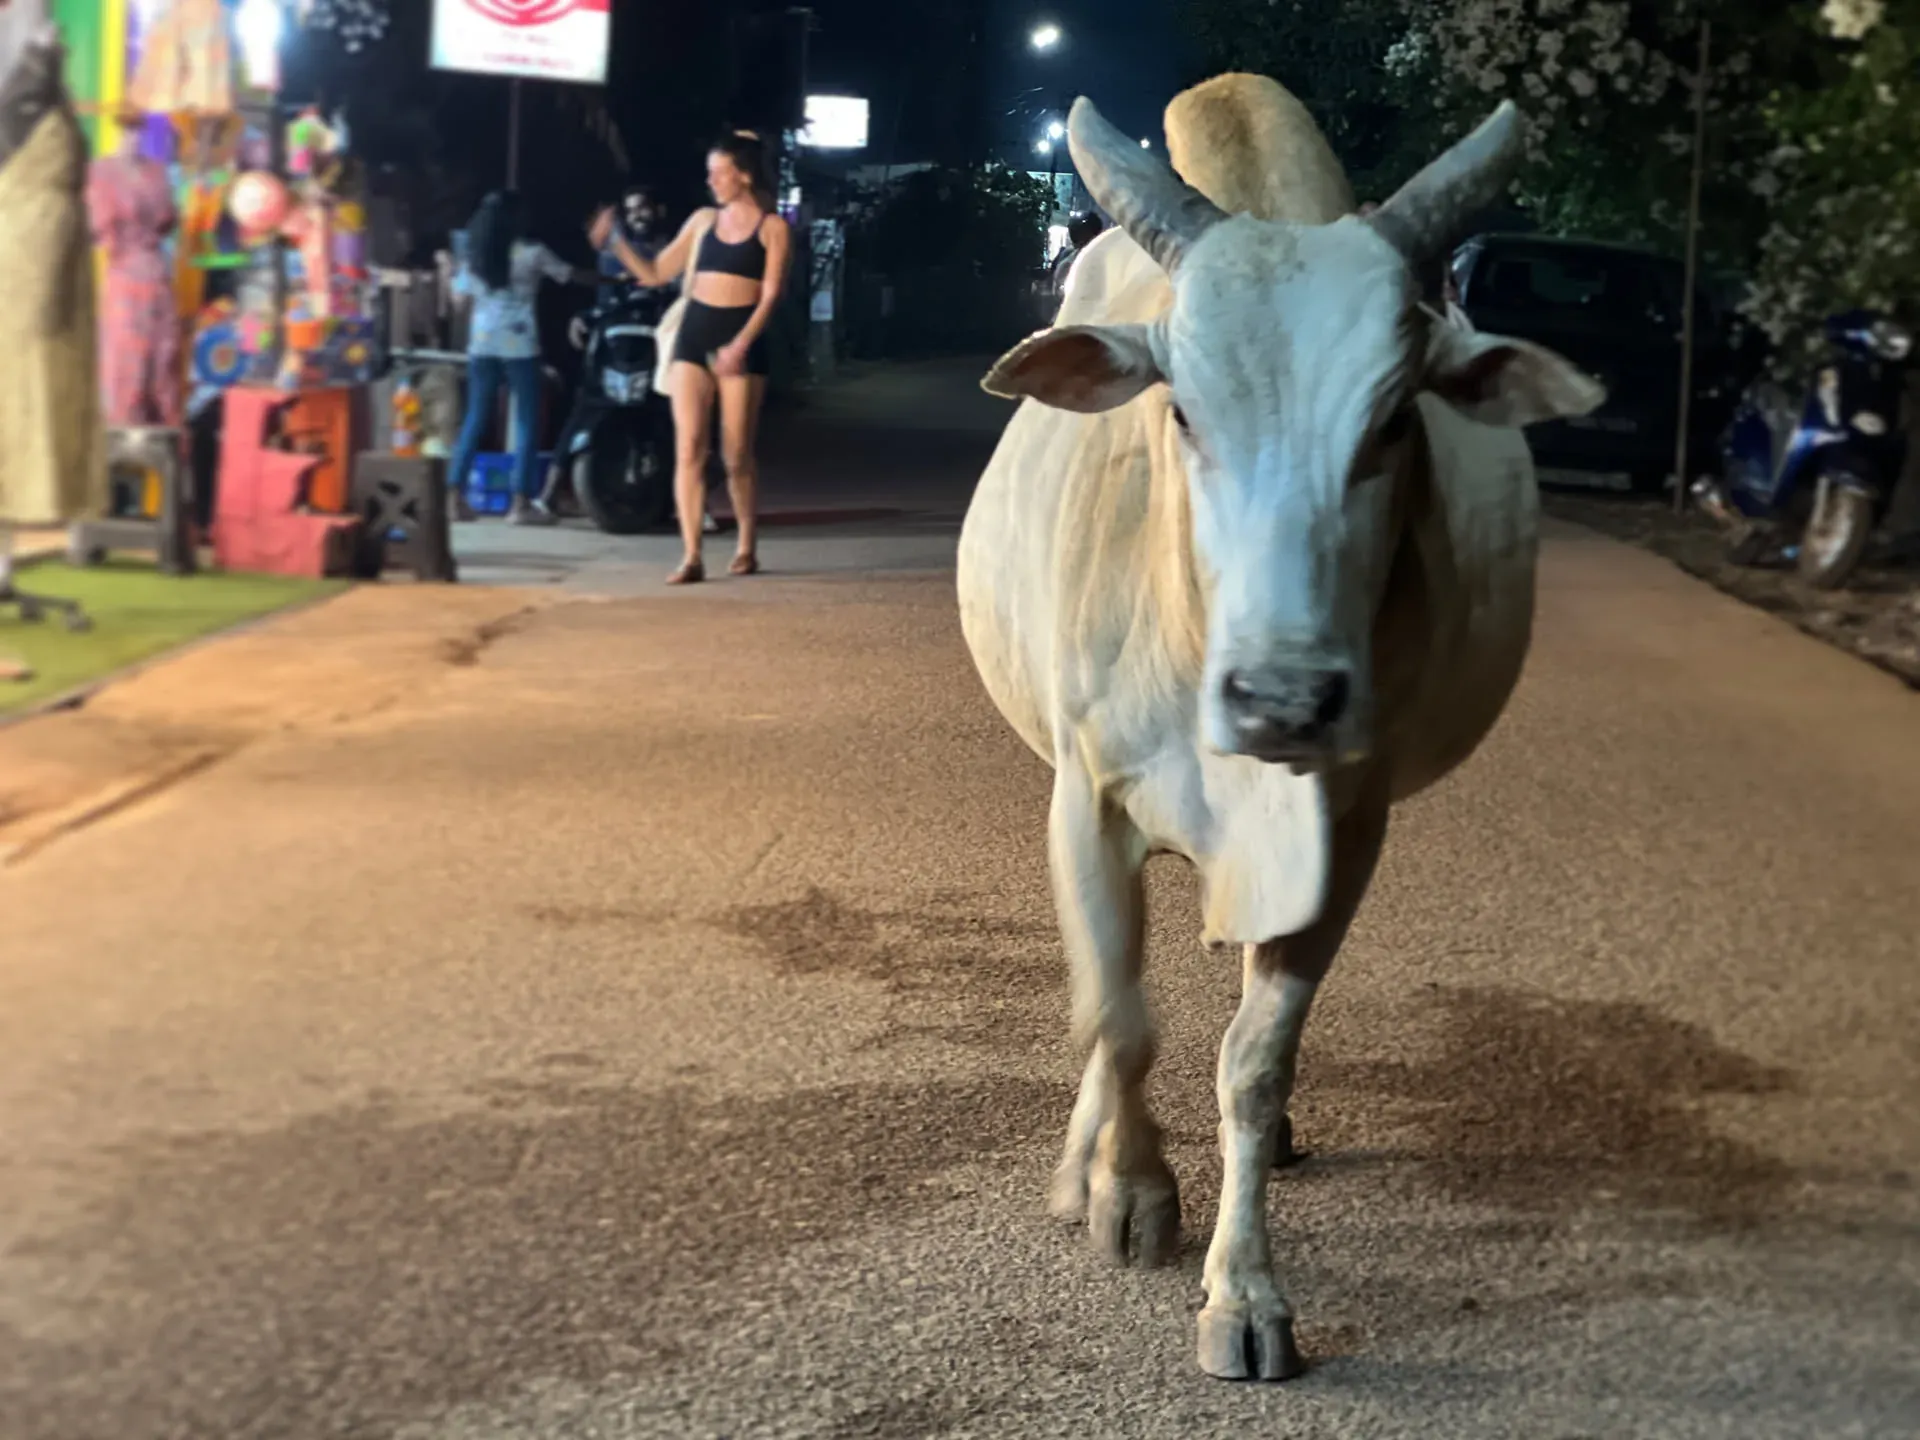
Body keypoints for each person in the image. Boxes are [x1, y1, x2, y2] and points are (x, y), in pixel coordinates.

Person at [594, 130, 791, 583]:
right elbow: (658, 272)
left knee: (736, 453)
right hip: (693, 338)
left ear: (743, 174)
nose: (713, 181)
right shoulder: (703, 221)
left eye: (720, 172)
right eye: (710, 173)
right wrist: (617, 243)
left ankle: (745, 544)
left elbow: (771, 295)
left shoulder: (772, 228)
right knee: (688, 448)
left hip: (742, 341)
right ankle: (691, 555)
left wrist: (740, 345)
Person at [447, 189, 596, 526]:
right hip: (520, 344)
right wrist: (610, 276)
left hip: (482, 343)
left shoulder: (475, 256)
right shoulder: (533, 253)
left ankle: (454, 496)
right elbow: (569, 275)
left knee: (475, 417)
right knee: (527, 420)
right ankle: (519, 504)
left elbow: (458, 301)